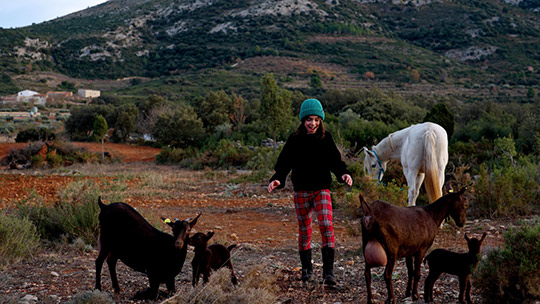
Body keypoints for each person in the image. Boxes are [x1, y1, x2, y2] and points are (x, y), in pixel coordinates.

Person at [268, 98, 353, 286]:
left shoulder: (326, 138)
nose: (312, 123)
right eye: (308, 119)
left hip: (321, 189)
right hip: (301, 191)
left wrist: (344, 174)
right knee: (305, 230)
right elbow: (284, 163)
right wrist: (277, 179)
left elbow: (335, 162)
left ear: (320, 120)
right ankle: (307, 271)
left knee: (326, 226)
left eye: (316, 119)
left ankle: (328, 273)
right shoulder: (294, 140)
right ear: (302, 120)